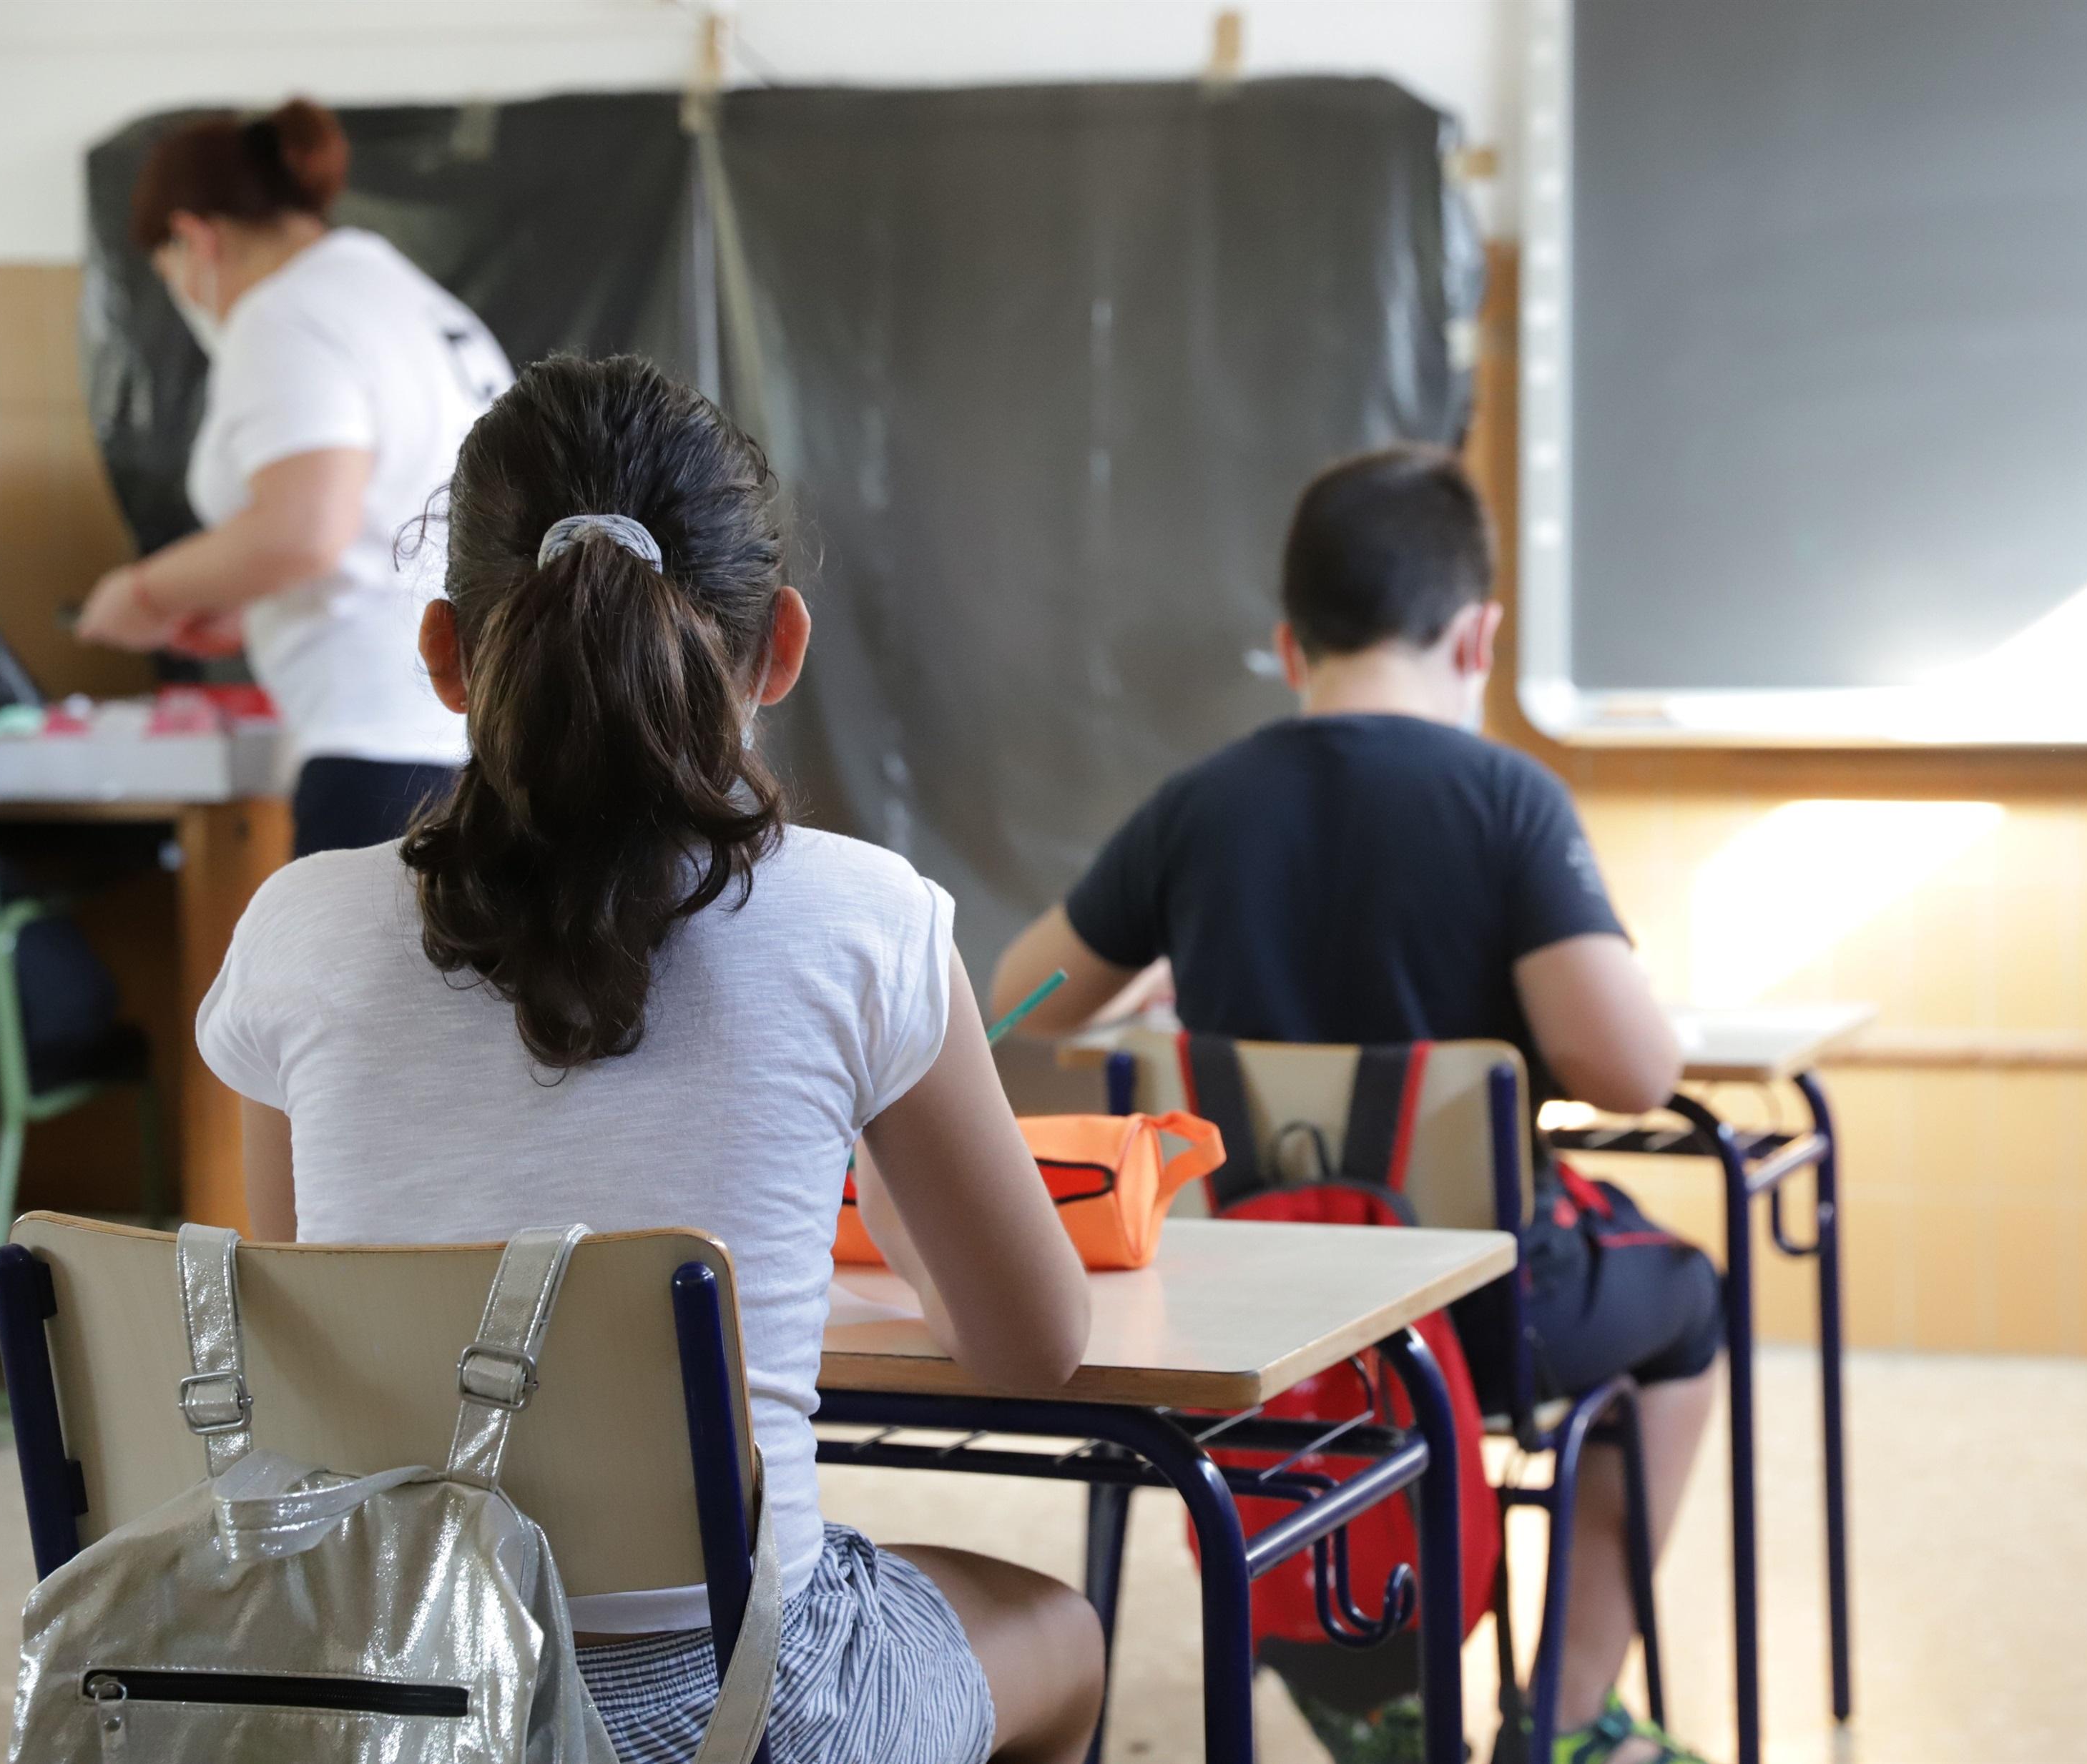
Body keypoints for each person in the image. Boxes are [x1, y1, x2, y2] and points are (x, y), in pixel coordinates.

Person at [194, 355, 1104, 1764]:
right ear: (781, 644)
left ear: (443, 653)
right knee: (1059, 1626)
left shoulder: (295, 930)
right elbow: (1033, 1343)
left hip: (387, 1709)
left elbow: (317, 1324)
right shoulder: (865, 922)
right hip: (741, 1721)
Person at [990, 446, 1721, 1764]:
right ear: (1480, 633)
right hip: (1488, 1317)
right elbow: (1633, 1074)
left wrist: (1146, 979)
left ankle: (1366, 1688)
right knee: (1690, 1301)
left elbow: (1016, 1003)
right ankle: (1562, 1722)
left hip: (1248, 1321)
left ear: (1287, 642)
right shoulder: (1507, 799)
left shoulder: (1195, 809)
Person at [79, 98, 511, 858]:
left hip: (377, 744)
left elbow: (305, 529)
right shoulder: (408, 302)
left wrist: (143, 592)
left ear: (194, 237)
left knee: (356, 976)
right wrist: (250, 601)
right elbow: (384, 526)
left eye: (169, 269)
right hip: (474, 727)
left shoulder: (283, 315)